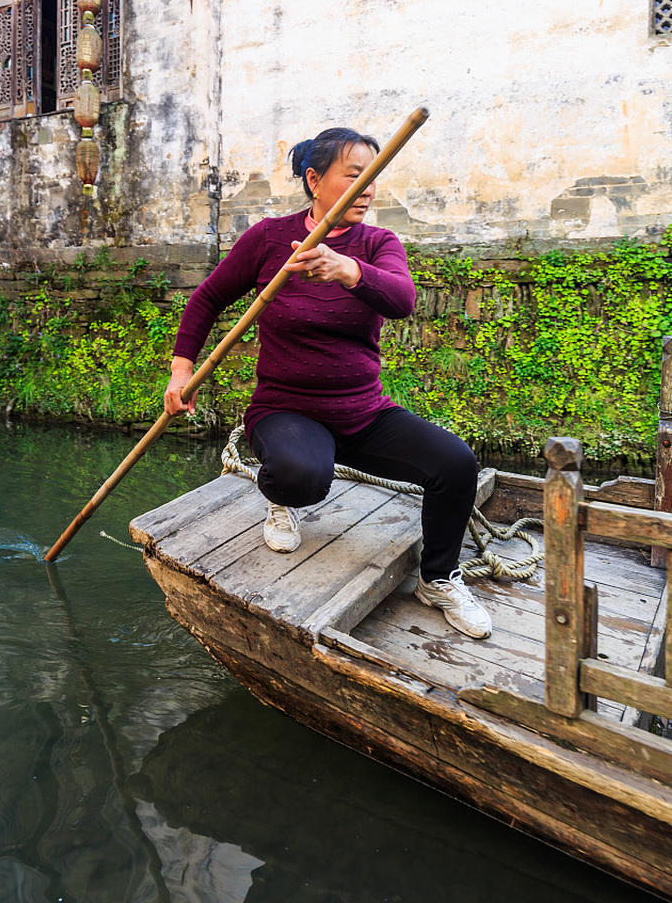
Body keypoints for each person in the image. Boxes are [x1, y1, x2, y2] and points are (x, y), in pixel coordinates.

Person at [164, 128, 491, 640]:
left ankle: (439, 578)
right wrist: (182, 370)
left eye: (374, 178)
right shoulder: (270, 239)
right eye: (355, 176)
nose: (368, 189)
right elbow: (207, 298)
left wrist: (347, 270)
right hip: (286, 411)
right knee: (301, 475)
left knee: (455, 463)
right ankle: (281, 500)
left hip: (364, 413)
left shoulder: (377, 243)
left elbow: (402, 300)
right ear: (315, 180)